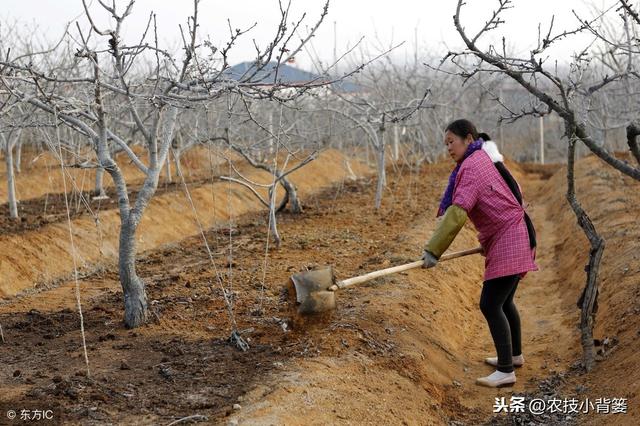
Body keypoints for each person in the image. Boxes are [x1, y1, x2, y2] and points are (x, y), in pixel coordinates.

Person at [421, 119, 538, 388]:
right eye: (445, 144)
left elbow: (457, 213)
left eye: (452, 142)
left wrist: (432, 250)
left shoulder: (472, 166)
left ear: (468, 138)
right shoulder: (482, 158)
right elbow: (504, 197)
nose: (448, 148)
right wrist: (490, 236)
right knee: (505, 301)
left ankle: (506, 370)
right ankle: (514, 355)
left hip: (511, 237)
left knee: (490, 303)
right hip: (512, 235)